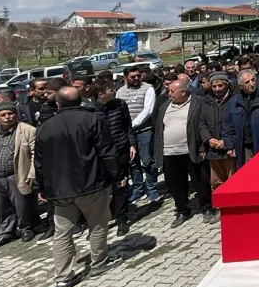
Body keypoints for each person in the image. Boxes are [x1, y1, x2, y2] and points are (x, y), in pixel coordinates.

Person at [34, 86, 122, 287]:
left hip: (60, 190)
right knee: (98, 223)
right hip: (92, 183)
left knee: (62, 233)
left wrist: (41, 186)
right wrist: (116, 175)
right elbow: (107, 151)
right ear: (81, 100)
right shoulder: (94, 119)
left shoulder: (45, 127)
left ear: (58, 104)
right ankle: (99, 261)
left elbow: (38, 161)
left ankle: (63, 278)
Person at [153, 79, 214, 227]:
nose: (169, 93)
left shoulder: (197, 103)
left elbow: (202, 125)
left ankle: (207, 208)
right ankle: (182, 210)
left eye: (172, 91)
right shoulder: (165, 106)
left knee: (200, 181)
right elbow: (158, 129)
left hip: (191, 150)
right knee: (176, 184)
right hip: (170, 152)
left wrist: (202, 147)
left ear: (183, 92)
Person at [0, 102, 39, 249]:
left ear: (16, 114)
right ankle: (6, 232)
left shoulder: (27, 130)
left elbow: (34, 154)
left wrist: (32, 173)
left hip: (17, 174)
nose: (7, 117)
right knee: (2, 207)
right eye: (3, 114)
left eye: (10, 113)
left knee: (22, 205)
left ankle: (26, 228)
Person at [88, 80, 133, 237]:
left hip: (120, 150)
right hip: (100, 155)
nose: (114, 91)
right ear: (100, 94)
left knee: (121, 185)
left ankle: (122, 219)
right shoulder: (89, 110)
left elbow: (128, 126)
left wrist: (131, 144)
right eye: (110, 89)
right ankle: (99, 223)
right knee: (101, 190)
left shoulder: (119, 104)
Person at [116, 66, 159, 204]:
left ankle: (152, 189)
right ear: (125, 78)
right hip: (127, 134)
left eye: (138, 76)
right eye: (132, 77)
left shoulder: (148, 88)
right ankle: (138, 189)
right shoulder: (120, 91)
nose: (136, 79)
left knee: (147, 161)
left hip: (144, 131)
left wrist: (133, 124)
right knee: (133, 163)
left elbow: (148, 110)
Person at [222, 69, 259, 167]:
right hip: (244, 147)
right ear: (241, 85)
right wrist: (229, 146)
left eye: (253, 80)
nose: (252, 83)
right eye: (247, 82)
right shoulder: (234, 101)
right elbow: (228, 126)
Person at [199, 72, 235, 191]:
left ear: (226, 85)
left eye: (220, 86)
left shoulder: (234, 99)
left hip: (230, 148)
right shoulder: (206, 101)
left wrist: (228, 141)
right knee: (216, 182)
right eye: (214, 86)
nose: (217, 89)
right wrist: (208, 139)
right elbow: (202, 123)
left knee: (233, 179)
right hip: (213, 148)